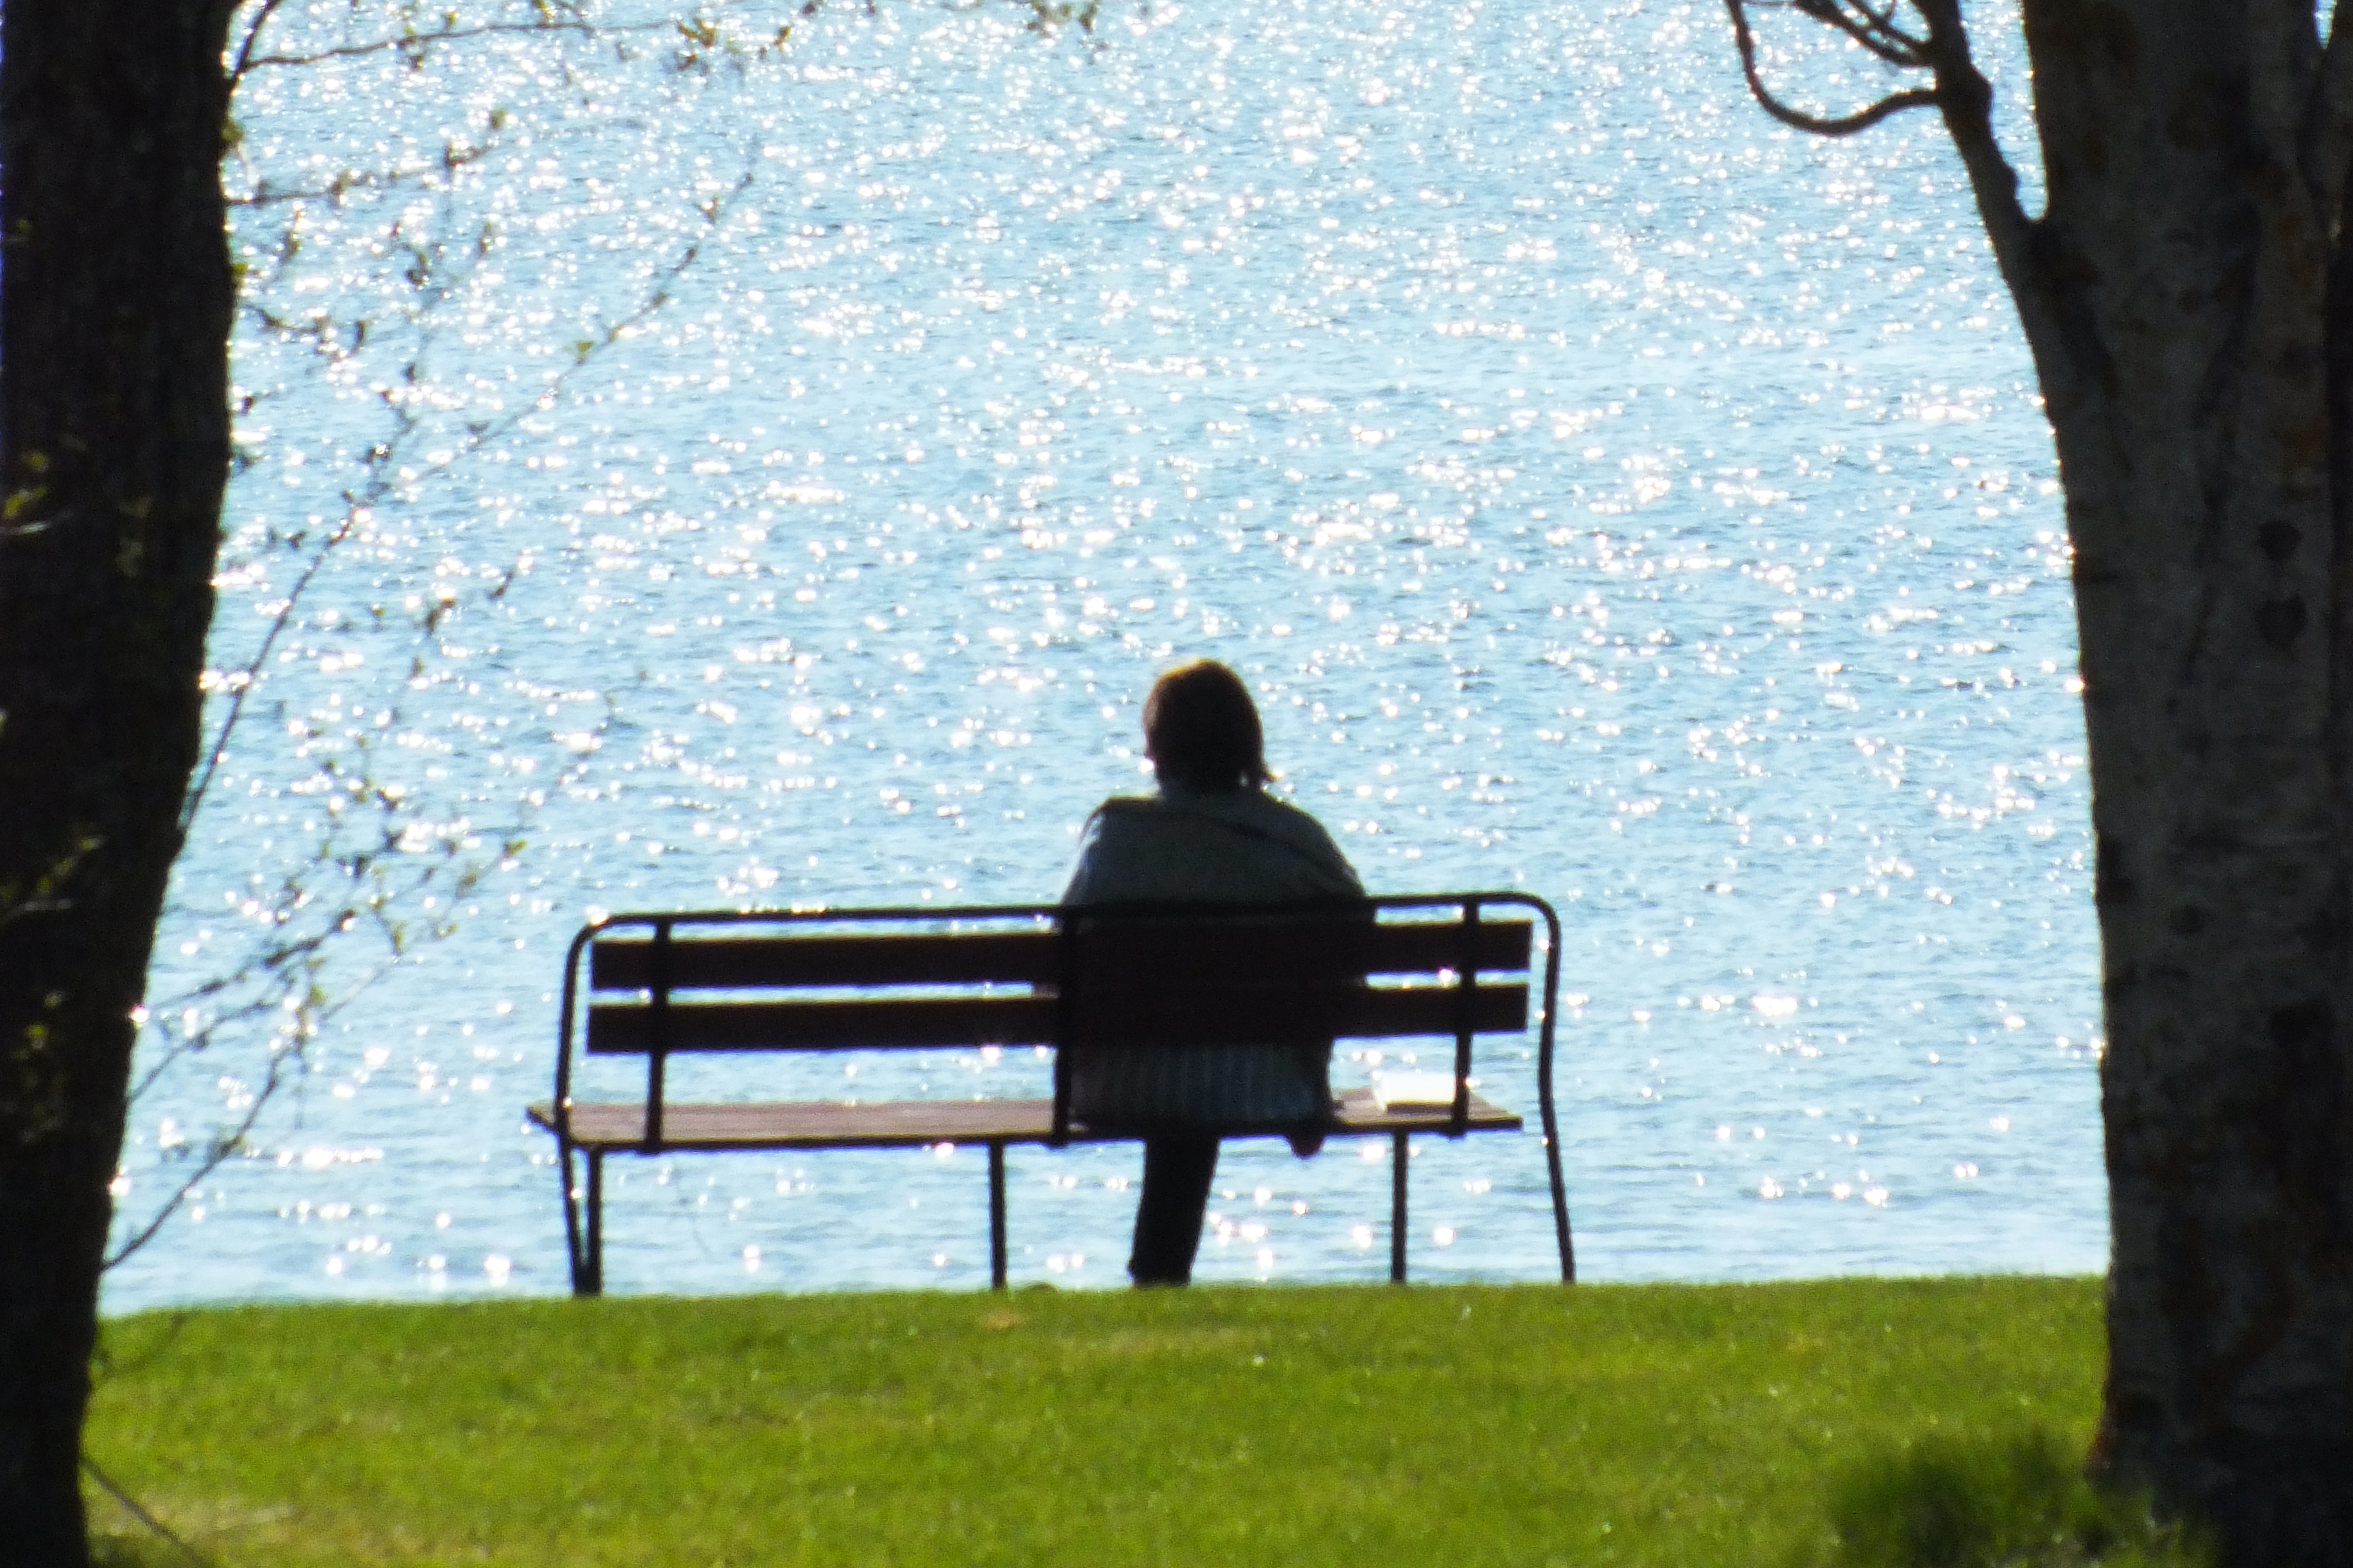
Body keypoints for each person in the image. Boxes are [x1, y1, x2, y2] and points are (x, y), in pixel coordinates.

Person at [1062, 658, 1363, 1285]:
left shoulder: (1117, 835)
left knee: (1179, 1066)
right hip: (1265, 1083)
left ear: (1156, 747)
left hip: (1121, 1083)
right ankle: (1158, 1272)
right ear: (1249, 743)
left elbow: (1059, 965)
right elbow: (1358, 947)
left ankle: (1157, 1273)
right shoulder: (1295, 840)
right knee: (1211, 1059)